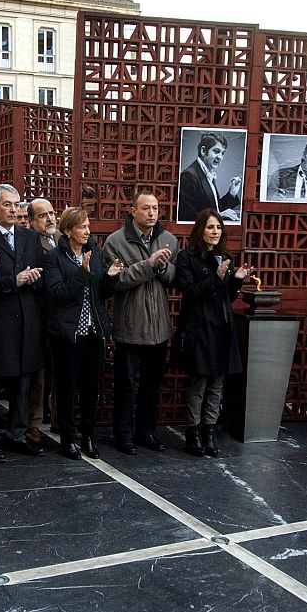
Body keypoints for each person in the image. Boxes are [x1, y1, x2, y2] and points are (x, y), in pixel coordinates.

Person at [0, 183, 47, 460]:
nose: (14, 210)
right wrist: (12, 282)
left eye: (17, 205)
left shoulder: (29, 238)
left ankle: (17, 433)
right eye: (7, 204)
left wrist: (35, 278)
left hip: (28, 318)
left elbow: (41, 270)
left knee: (23, 381)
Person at [104, 190, 180, 453]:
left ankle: (146, 431)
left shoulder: (168, 239)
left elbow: (173, 278)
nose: (151, 213)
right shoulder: (116, 241)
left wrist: (161, 267)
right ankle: (123, 434)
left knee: (151, 384)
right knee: (126, 385)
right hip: (130, 327)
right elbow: (118, 281)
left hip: (158, 328)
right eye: (146, 208)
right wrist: (149, 264)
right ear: (133, 211)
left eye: (155, 209)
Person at [41, 207, 121, 459]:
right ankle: (67, 438)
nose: (87, 231)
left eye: (88, 226)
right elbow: (56, 293)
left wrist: (109, 278)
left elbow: (102, 294)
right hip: (66, 334)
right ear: (68, 230)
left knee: (90, 388)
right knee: (66, 388)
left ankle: (88, 436)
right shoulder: (54, 257)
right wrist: (82, 274)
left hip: (93, 331)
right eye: (82, 227)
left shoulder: (95, 252)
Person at [174, 210, 253, 457]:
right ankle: (193, 433)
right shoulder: (187, 258)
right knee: (198, 383)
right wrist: (217, 278)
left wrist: (236, 281)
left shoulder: (224, 257)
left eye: (218, 227)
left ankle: (210, 433)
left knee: (217, 384)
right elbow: (189, 294)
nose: (215, 232)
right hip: (199, 329)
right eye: (210, 227)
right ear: (200, 230)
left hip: (221, 328)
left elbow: (227, 297)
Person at [25, 196, 59, 441]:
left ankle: (58, 419)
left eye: (51, 213)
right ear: (31, 220)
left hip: (61, 315)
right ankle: (33, 421)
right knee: (38, 373)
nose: (49, 218)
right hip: (38, 313)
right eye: (43, 215)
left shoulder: (60, 240)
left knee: (59, 370)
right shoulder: (29, 243)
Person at [176, 132, 241, 224]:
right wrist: (217, 216)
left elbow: (215, 208)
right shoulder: (188, 175)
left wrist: (231, 194)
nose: (220, 157)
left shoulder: (208, 173)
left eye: (222, 153)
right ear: (203, 151)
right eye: (216, 151)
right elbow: (186, 216)